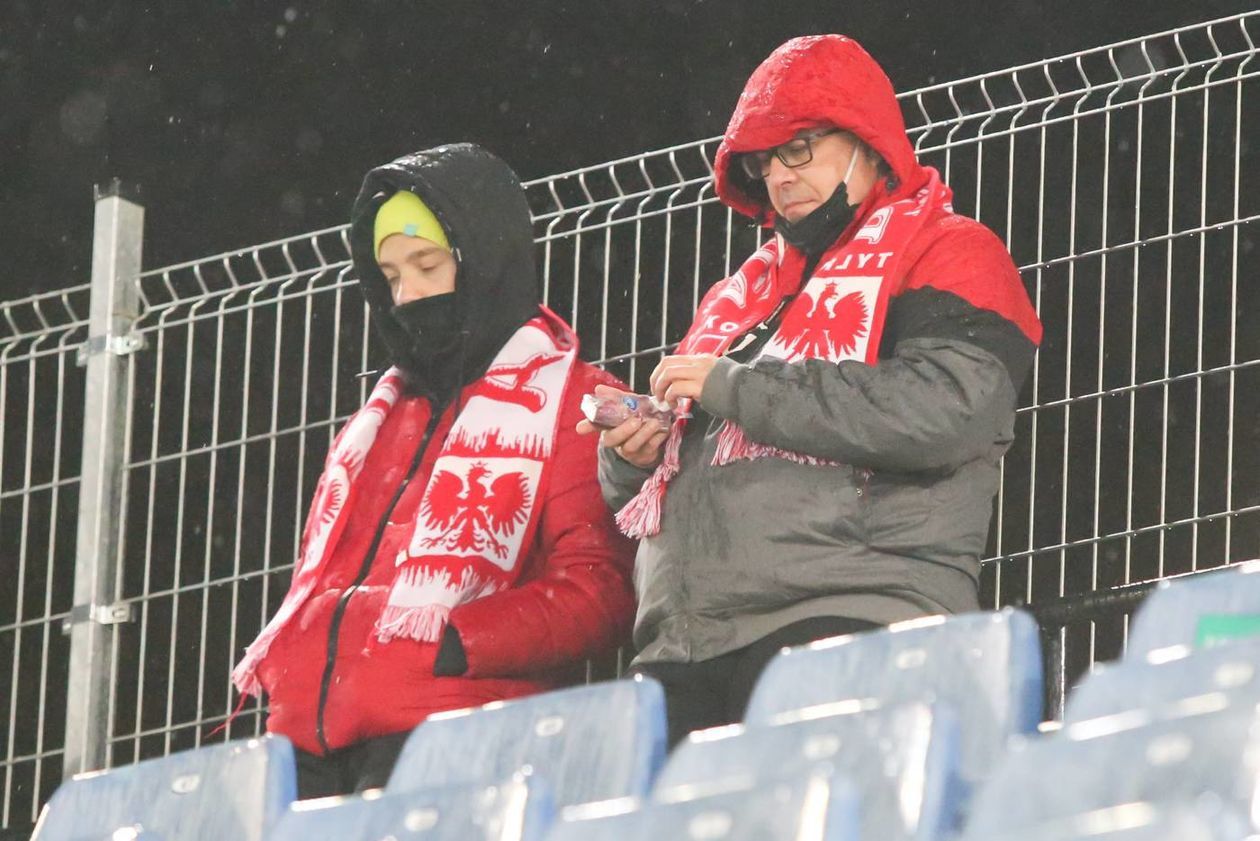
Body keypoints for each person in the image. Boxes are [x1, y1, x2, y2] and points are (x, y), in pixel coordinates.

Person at [580, 35, 1043, 745]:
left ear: (867, 142)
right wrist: (631, 457)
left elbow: (944, 413)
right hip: (686, 647)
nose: (780, 176)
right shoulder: (740, 293)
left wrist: (737, 386)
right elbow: (667, 481)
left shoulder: (948, 248)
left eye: (800, 148)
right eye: (764, 161)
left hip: (850, 615)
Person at [232, 143, 637, 796]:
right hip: (303, 743)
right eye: (391, 276)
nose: (407, 295)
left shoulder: (574, 403)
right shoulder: (376, 423)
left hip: (451, 738)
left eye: (426, 264)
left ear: (483, 262)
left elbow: (600, 593)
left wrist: (454, 642)